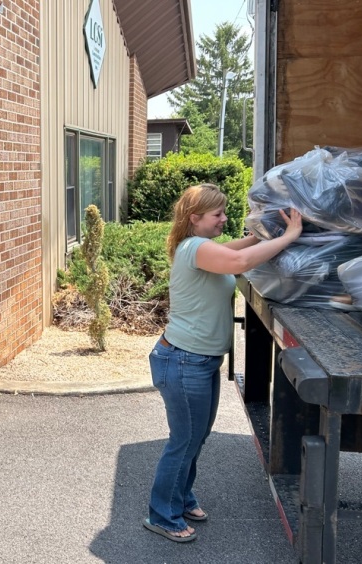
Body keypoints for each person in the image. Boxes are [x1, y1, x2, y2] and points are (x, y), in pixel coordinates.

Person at [143, 184, 302, 543]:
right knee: (184, 441)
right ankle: (161, 515)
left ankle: (180, 499)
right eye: (218, 214)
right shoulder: (195, 247)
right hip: (184, 362)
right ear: (195, 218)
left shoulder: (201, 248)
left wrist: (254, 237)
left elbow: (233, 251)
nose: (224, 219)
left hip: (198, 362)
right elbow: (240, 263)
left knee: (195, 438)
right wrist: (290, 235)